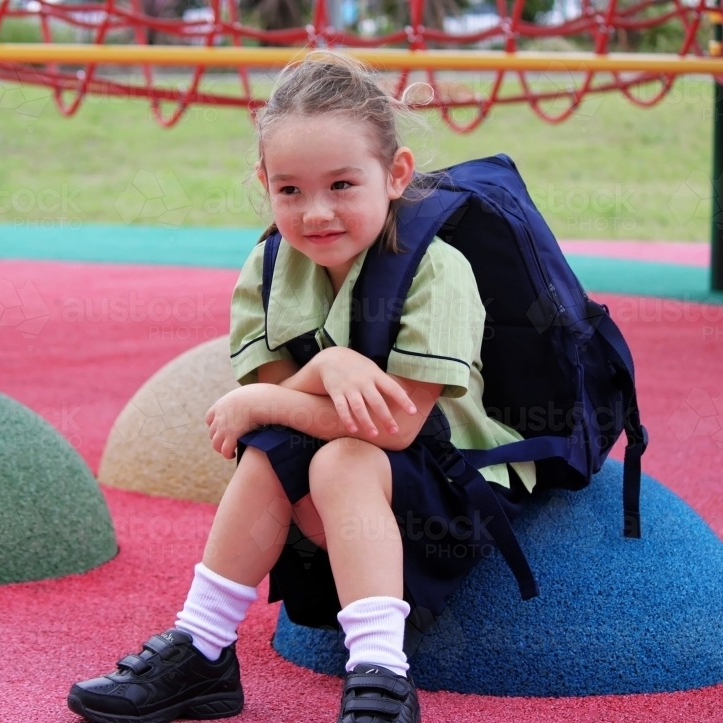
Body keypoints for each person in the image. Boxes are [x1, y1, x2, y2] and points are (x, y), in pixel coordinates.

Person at [67, 49, 535, 723]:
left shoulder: (439, 269)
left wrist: (257, 398)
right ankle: (201, 646)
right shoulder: (268, 267)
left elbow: (396, 427)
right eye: (290, 190)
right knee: (274, 452)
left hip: (451, 496)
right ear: (265, 182)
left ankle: (380, 671)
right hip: (342, 508)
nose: (316, 212)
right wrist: (326, 369)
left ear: (396, 173)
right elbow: (287, 424)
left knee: (339, 453)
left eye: (343, 184)